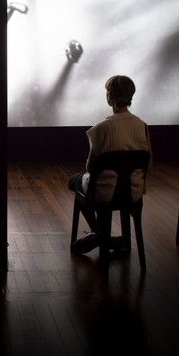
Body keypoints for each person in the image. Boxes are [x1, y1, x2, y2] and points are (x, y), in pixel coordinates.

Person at [68, 75, 152, 255]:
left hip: (104, 192)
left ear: (109, 96)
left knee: (74, 181)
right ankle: (113, 239)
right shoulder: (142, 126)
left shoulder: (100, 129)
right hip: (133, 192)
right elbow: (148, 162)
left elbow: (90, 167)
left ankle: (99, 233)